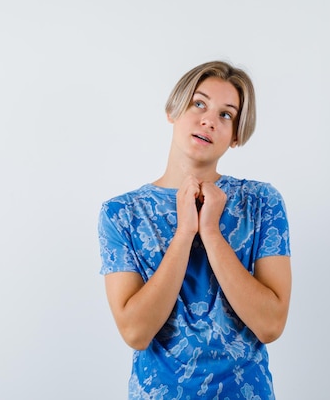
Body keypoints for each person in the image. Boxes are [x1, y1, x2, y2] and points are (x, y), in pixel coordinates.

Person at [97, 61, 292, 399]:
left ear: (235, 137)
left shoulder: (261, 203)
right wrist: (185, 232)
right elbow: (136, 332)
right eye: (199, 103)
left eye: (226, 115)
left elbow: (271, 324)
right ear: (174, 109)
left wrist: (212, 234)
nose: (209, 120)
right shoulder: (121, 213)